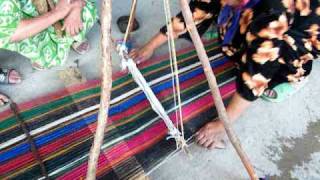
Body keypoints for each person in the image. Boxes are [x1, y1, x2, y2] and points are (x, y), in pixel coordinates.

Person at [130, 0, 320, 149]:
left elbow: (256, 75)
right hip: (263, 15)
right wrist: (150, 46)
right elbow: (195, 11)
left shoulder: (273, 14)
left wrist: (222, 124)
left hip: (302, 34)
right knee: (235, 32)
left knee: (272, 56)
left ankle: (298, 77)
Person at [0, 0, 97, 70]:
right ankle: (42, 54)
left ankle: (73, 38)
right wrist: (58, 13)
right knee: (46, 55)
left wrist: (77, 6)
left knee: (80, 19)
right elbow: (12, 33)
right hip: (24, 16)